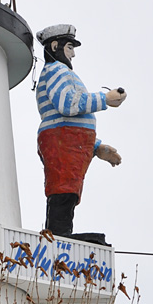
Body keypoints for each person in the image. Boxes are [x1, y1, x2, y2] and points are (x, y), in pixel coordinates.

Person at [35, 23, 126, 241]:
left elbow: (71, 117)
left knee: (70, 188)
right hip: (62, 139)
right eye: (69, 47)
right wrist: (104, 99)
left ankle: (61, 232)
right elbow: (68, 104)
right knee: (64, 188)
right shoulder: (56, 71)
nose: (73, 54)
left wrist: (96, 147)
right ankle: (58, 233)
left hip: (69, 140)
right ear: (55, 46)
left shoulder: (61, 72)